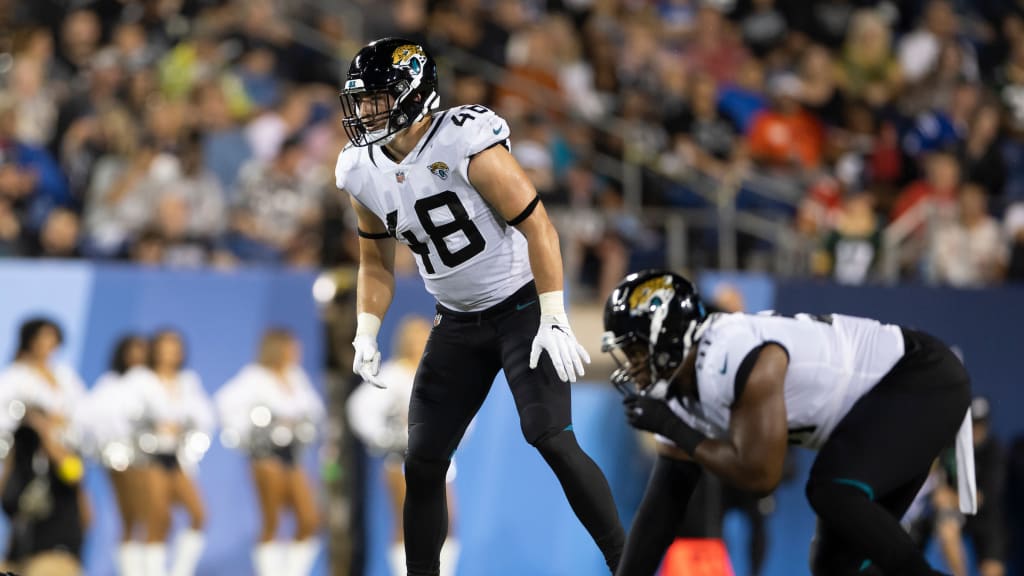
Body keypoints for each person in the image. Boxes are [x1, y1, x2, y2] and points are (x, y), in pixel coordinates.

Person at [337, 37, 624, 575]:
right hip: (457, 321)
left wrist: (554, 313)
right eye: (362, 100)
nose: (367, 111)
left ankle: (627, 562)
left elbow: (539, 225)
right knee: (422, 462)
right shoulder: (359, 169)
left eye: (378, 98)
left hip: (520, 309)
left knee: (551, 437)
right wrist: (365, 329)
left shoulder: (465, 138)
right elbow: (374, 261)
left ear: (414, 92)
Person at [601, 270, 975, 576]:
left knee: (834, 490)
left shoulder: (730, 353)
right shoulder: (682, 391)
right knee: (834, 566)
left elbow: (762, 477)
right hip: (900, 396)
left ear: (667, 336)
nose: (631, 364)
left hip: (920, 378)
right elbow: (662, 511)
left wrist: (674, 429)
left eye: (635, 349)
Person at [347, 316, 460, 576]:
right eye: (414, 336)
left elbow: (461, 411)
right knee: (407, 522)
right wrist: (383, 438)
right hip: (403, 460)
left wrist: (452, 436)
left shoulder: (439, 372)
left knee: (447, 521)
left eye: (424, 335)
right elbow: (358, 408)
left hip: (439, 459)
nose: (420, 341)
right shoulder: (392, 374)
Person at [216, 328, 325, 576]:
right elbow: (225, 404)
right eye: (290, 347)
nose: (296, 352)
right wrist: (251, 432)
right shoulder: (254, 377)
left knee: (309, 519)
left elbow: (315, 409)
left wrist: (297, 423)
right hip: (265, 454)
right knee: (272, 520)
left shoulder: (295, 377)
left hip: (293, 454)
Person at [0, 318, 88, 575]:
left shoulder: (65, 375)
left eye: (52, 338)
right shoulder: (16, 375)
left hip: (64, 456)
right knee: (26, 511)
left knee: (70, 507)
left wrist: (61, 426)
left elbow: (82, 413)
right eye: (41, 338)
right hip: (28, 455)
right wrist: (36, 421)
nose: (47, 345)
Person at [131, 329, 214, 576]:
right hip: (147, 457)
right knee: (157, 517)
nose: (170, 353)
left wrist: (184, 426)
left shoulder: (188, 381)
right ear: (154, 350)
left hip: (177, 456)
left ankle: (180, 570)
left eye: (175, 347)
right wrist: (154, 425)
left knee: (198, 514)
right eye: (165, 347)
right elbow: (124, 414)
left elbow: (205, 415)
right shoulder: (141, 379)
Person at [81, 334, 150, 575]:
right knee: (132, 514)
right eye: (132, 351)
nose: (137, 356)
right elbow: (88, 417)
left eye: (142, 350)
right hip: (120, 456)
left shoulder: (152, 383)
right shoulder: (110, 384)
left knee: (152, 515)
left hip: (151, 458)